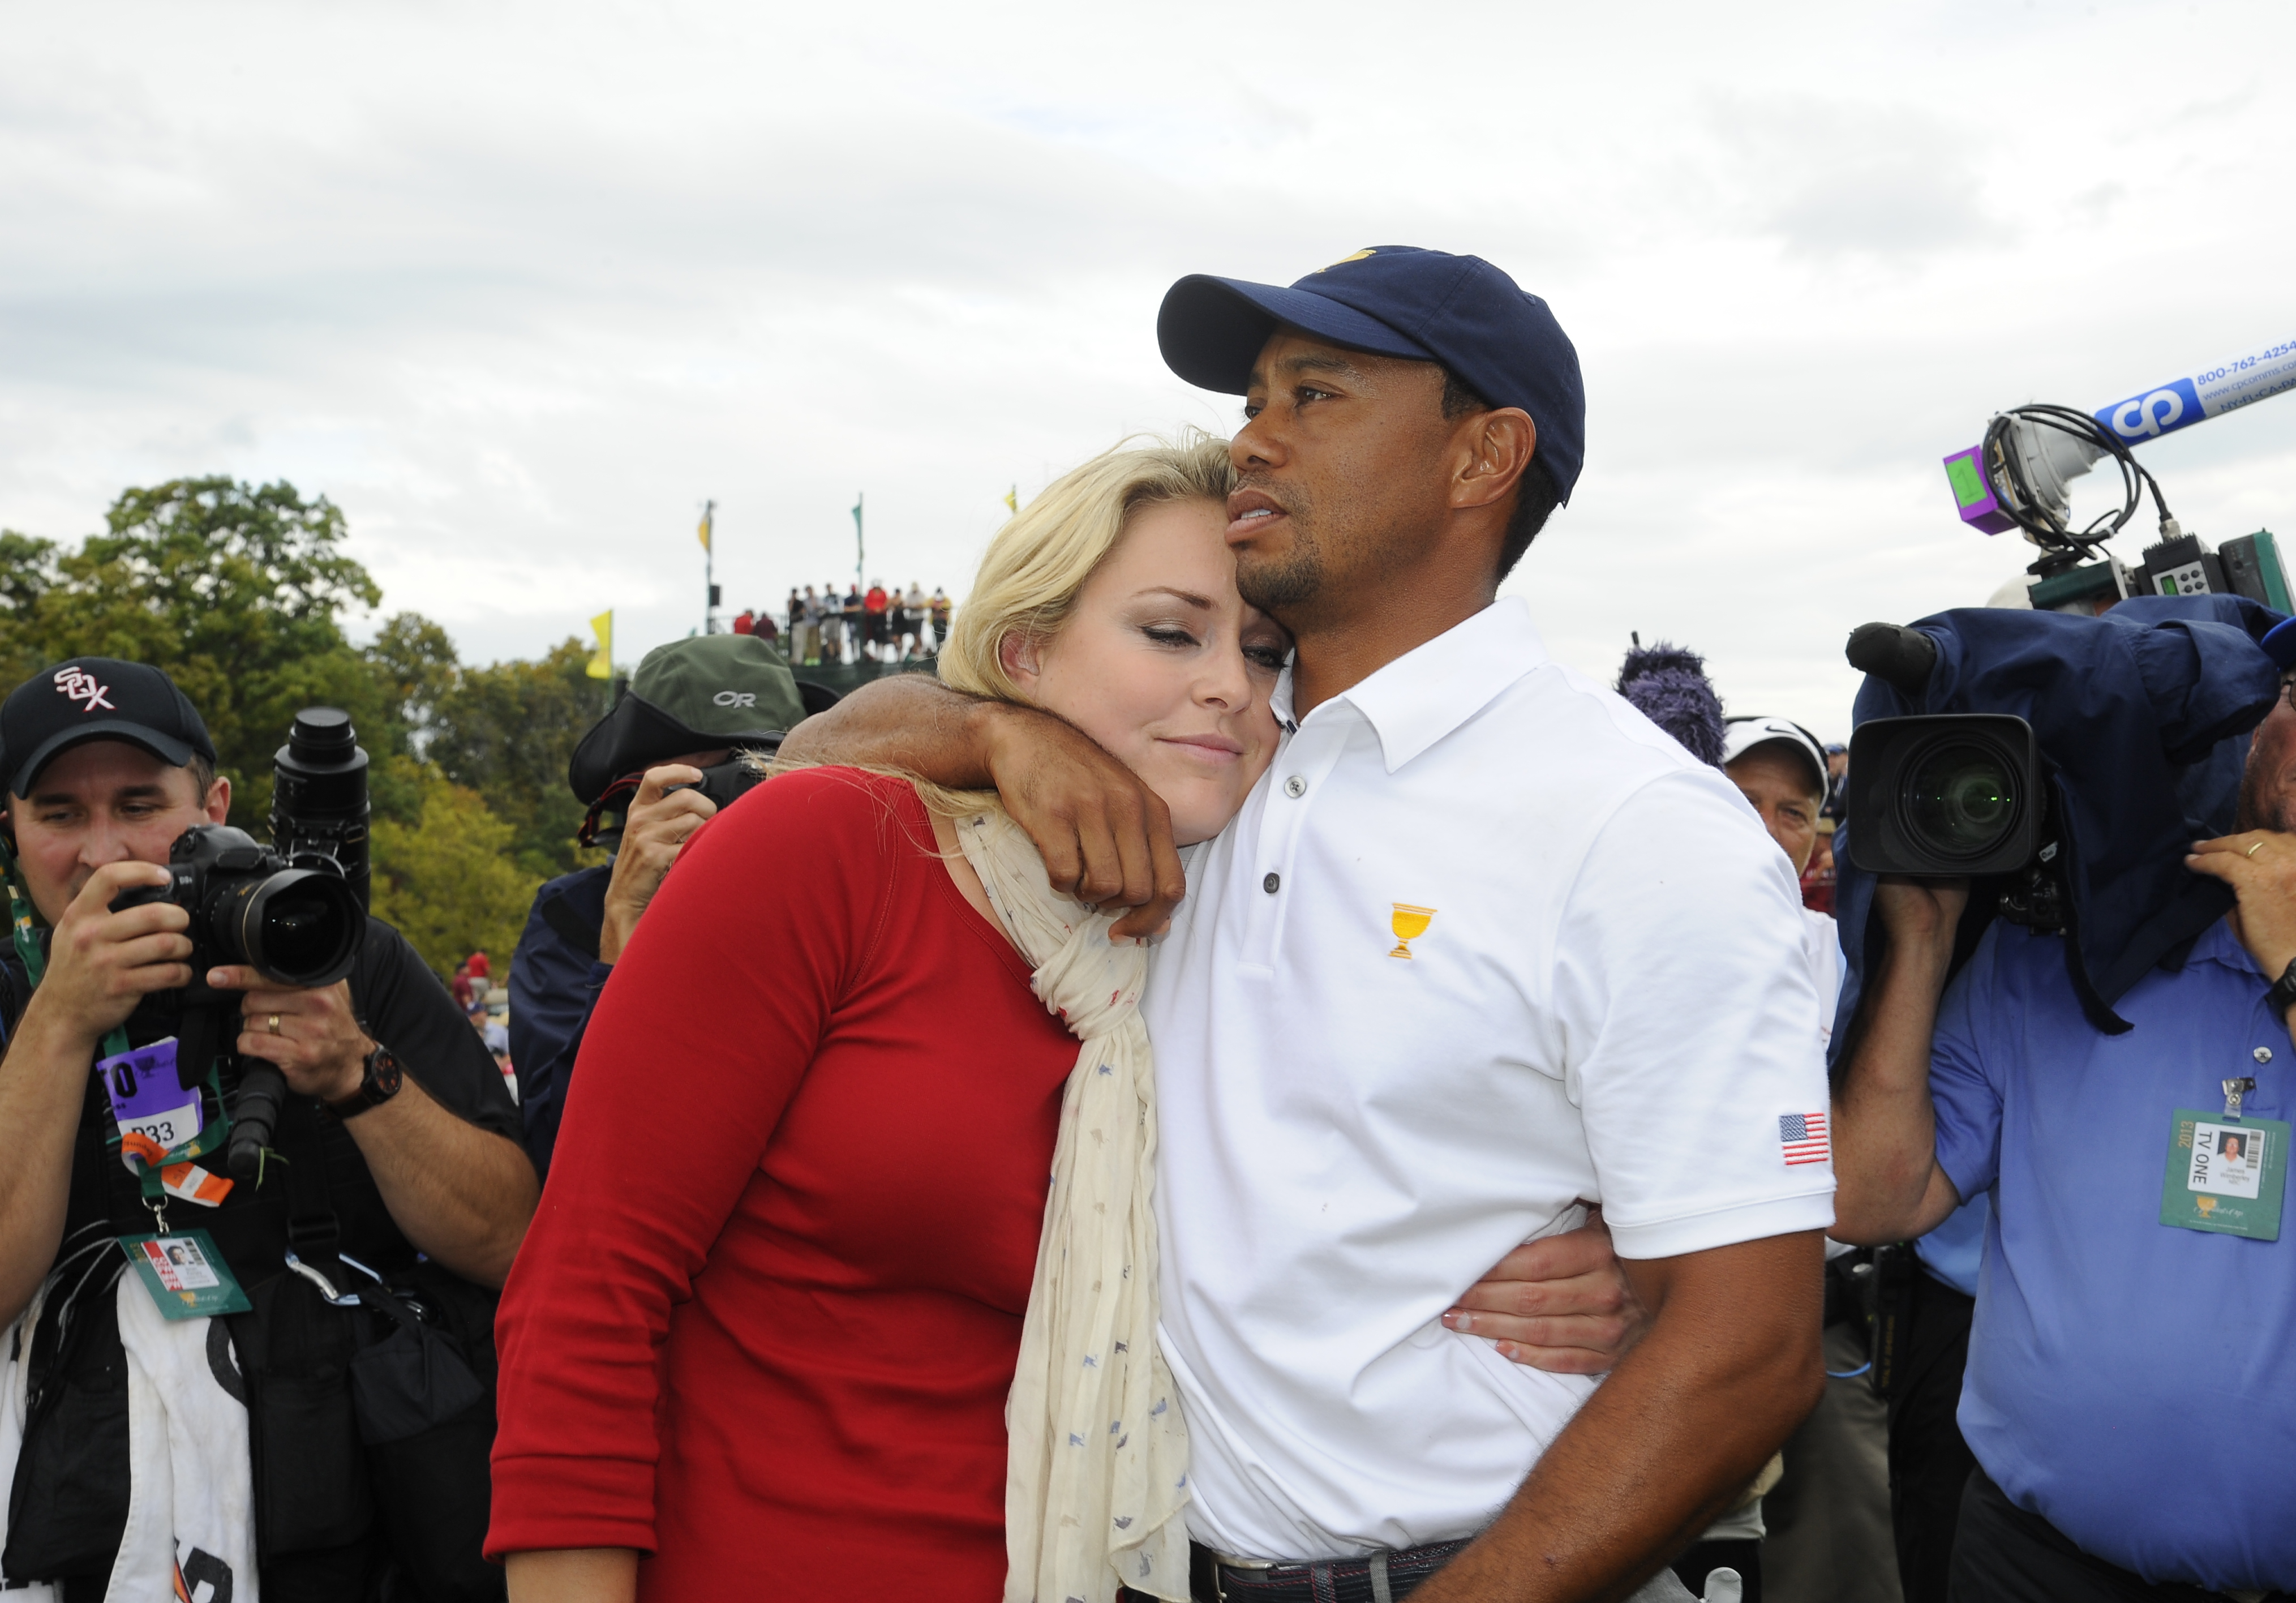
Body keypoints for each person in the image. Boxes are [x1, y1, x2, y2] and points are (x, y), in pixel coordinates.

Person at [786, 246, 1832, 1603]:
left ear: (1483, 457)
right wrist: (992, 728)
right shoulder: (1214, 769)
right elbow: (815, 750)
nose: (1252, 441)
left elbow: (1749, 1349)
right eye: (1253, 397)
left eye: (1316, 394)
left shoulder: (1632, 822)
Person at [490, 435, 1628, 1602]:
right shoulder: (832, 849)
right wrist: (989, 733)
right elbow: (588, 1288)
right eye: (1169, 632)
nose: (1230, 686)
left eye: (1266, 654)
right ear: (1024, 651)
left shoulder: (1244, 915)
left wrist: (1615, 1255)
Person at [1832, 597, 2296, 1600]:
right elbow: (1870, 1200)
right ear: (2250, 726)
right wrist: (1919, 941)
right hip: (2035, 1566)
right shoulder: (2073, 950)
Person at [0, 657, 536, 1600]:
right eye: (59, 814)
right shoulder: (14, 993)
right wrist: (58, 1019)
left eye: (138, 803)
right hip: (83, 1503)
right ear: (10, 827)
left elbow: (514, 1243)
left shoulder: (336, 949)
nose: (102, 851)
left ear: (213, 803)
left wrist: (357, 1075)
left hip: (354, 1499)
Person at [504, 633, 806, 1177]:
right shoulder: (571, 919)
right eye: (709, 781)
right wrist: (623, 931)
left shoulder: (846, 910)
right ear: (634, 797)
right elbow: (564, 1157)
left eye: (761, 775)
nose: (739, 804)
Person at [1722, 716, 1900, 1603]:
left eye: (1794, 812)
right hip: (1655, 1324)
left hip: (1816, 1325)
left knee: (1847, 1568)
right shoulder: (1605, 936)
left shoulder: (1841, 956)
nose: (1768, 829)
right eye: (1742, 799)